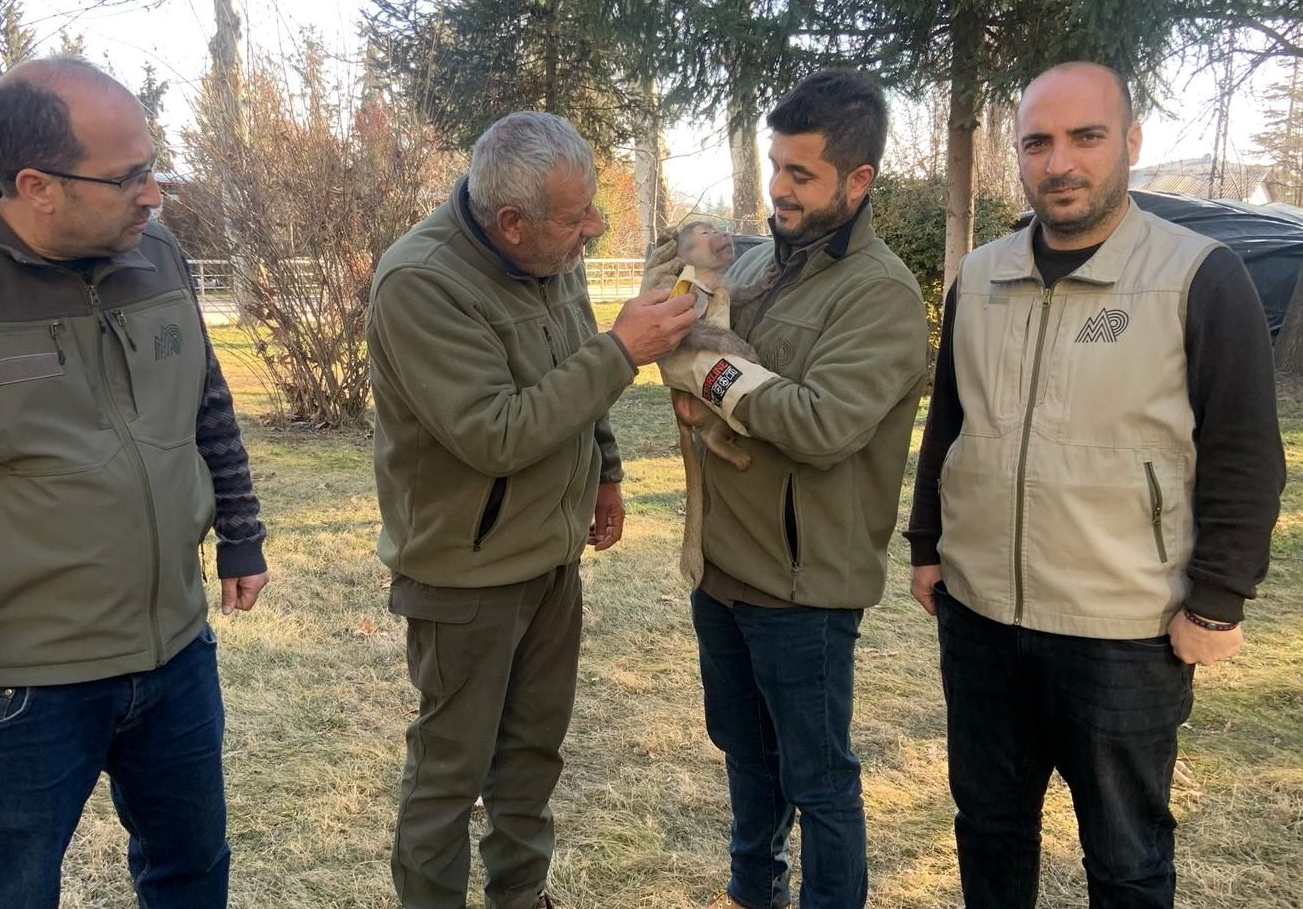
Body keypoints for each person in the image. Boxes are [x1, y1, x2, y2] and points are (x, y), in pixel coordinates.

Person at [0, 57, 269, 909]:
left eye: (153, 166)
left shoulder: (159, 256)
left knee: (192, 868)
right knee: (12, 890)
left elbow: (207, 405)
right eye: (128, 178)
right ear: (36, 184)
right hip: (20, 683)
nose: (154, 195)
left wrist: (241, 531)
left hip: (176, 651)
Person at [905, 61, 1285, 909]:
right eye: (1038, 142)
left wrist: (1219, 597)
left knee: (1126, 856)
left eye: (1086, 137)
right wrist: (927, 544)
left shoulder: (1198, 275)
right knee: (990, 829)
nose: (1060, 162)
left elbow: (1244, 450)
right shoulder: (980, 276)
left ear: (1132, 143)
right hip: (981, 617)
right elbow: (949, 425)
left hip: (1124, 628)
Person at [367, 110, 696, 909]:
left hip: (551, 559)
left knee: (532, 755)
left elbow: (576, 360)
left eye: (591, 208)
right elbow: (496, 433)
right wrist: (624, 351)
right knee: (450, 774)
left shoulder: (553, 256)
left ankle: (521, 896)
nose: (594, 226)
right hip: (465, 572)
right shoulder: (422, 282)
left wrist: (607, 471)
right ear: (509, 222)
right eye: (575, 215)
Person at [654, 70, 929, 909]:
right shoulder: (769, 263)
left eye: (801, 174)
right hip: (723, 565)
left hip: (803, 585)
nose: (779, 188)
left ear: (858, 180)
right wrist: (693, 258)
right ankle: (751, 891)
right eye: (776, 166)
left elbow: (819, 424)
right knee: (745, 750)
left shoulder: (880, 294)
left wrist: (708, 367)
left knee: (819, 779)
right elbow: (683, 304)